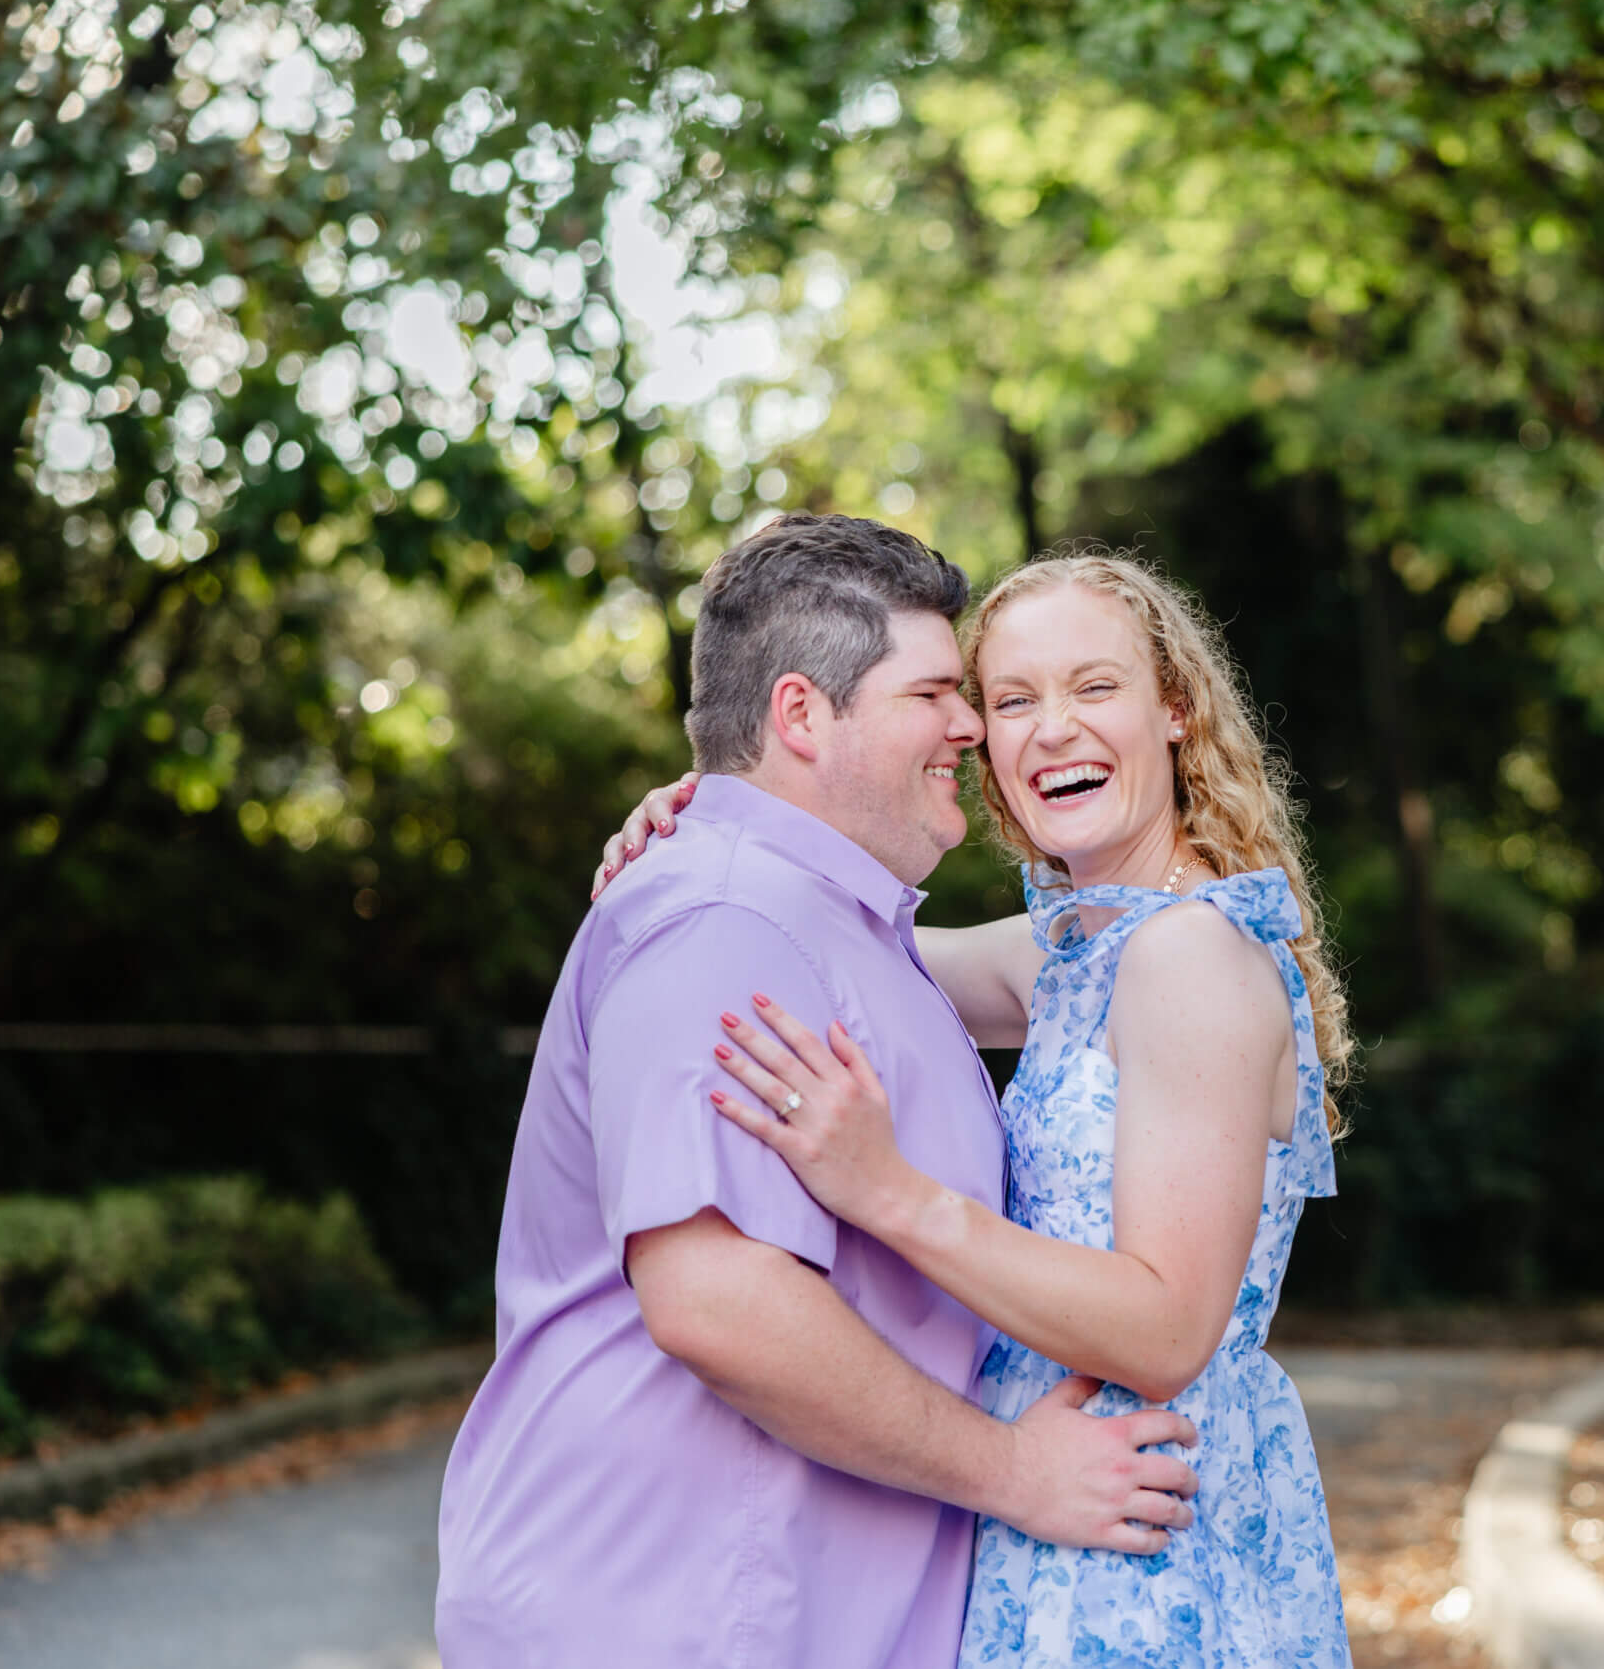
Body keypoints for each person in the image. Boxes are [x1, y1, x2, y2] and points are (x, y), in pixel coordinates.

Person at [438, 517, 1201, 1669]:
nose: (969, 727)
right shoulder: (725, 921)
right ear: (801, 715)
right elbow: (718, 1303)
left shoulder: (840, 930)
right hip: (674, 1618)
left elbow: (1146, 953)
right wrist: (1013, 1472)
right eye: (936, 693)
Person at [598, 552, 1354, 1667]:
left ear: (1177, 711)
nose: (1052, 729)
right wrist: (722, 821)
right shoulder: (1083, 948)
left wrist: (890, 1194)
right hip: (1057, 1509)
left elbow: (1165, 1330)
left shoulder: (1190, 954)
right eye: (1011, 700)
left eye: (1094, 688)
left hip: (1141, 1529)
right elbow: (847, 952)